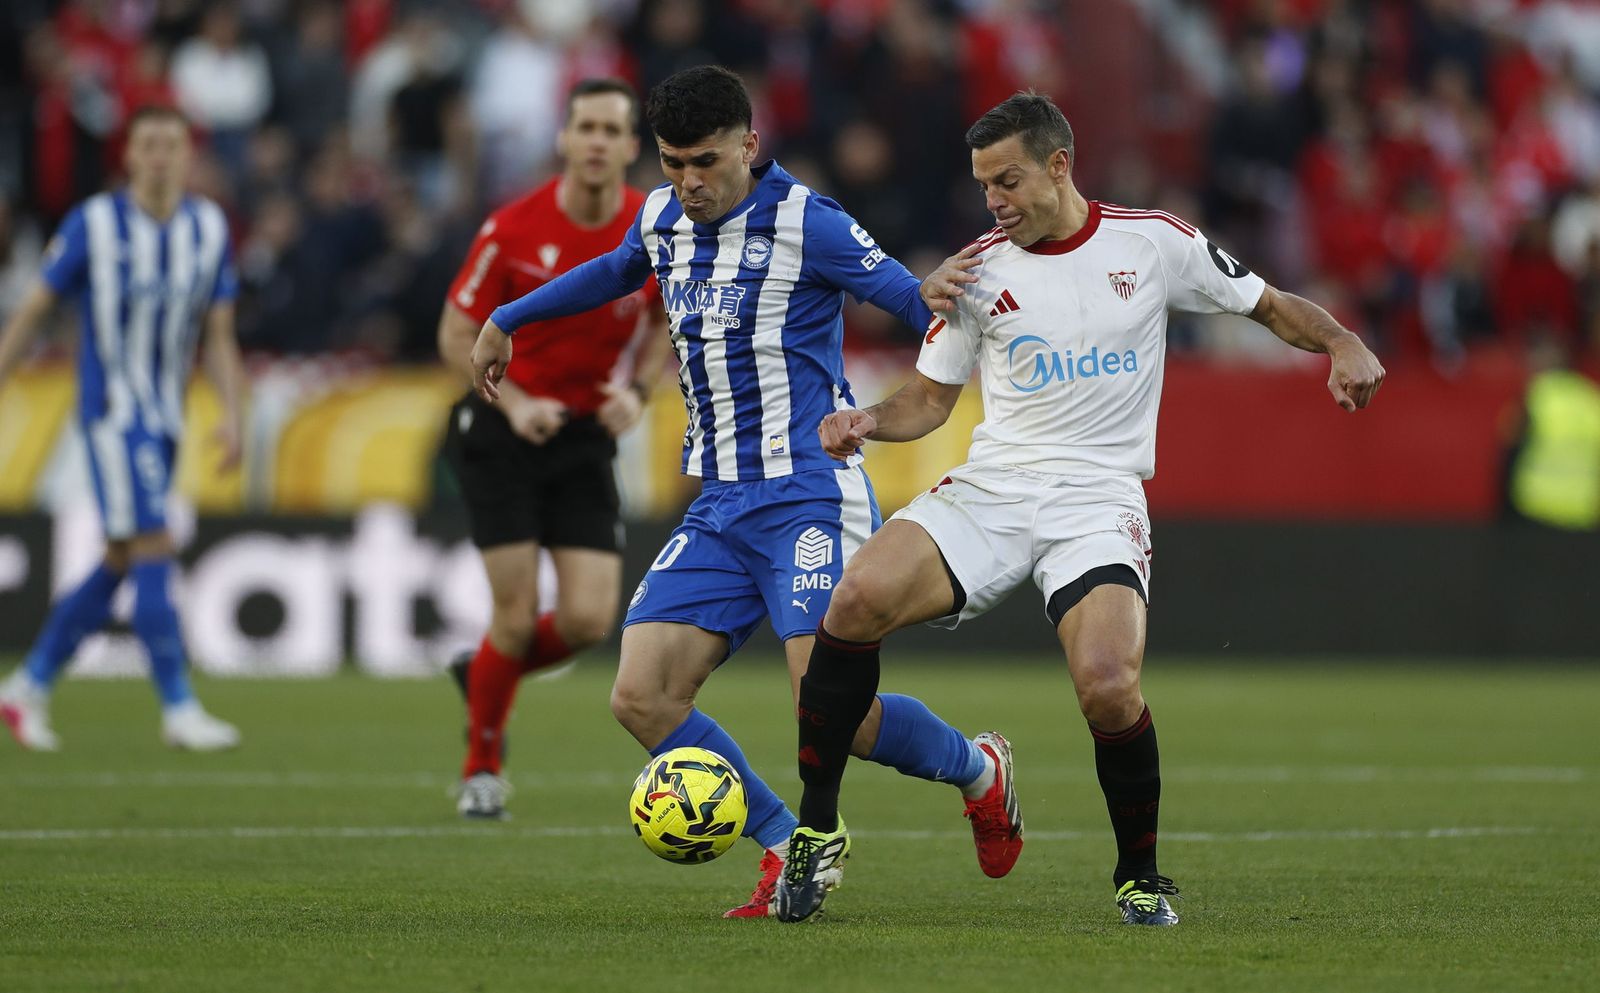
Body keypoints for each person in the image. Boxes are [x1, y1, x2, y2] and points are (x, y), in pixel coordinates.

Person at [776, 92, 1386, 926]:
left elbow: (1271, 305)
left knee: (1107, 684)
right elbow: (928, 398)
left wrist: (1343, 340)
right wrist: (869, 420)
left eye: (1009, 180)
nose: (994, 199)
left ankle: (1138, 876)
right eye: (985, 183)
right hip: (995, 486)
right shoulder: (977, 270)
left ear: (1059, 165)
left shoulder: (1155, 241)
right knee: (853, 601)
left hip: (1098, 495)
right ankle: (816, 829)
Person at [468, 65, 1022, 918]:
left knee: (832, 709)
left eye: (705, 162)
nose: (688, 181)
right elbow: (616, 272)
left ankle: (979, 768)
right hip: (721, 504)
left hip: (808, 492)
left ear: (749, 146)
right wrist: (509, 318)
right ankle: (785, 846)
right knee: (641, 695)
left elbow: (917, 309)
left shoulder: (810, 222)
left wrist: (937, 306)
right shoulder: (660, 216)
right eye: (672, 162)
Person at [437, 78, 670, 818]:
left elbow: (668, 325)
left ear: (634, 147)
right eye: (586, 127)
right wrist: (519, 399)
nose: (598, 141)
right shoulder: (511, 226)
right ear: (565, 140)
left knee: (588, 621)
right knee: (514, 611)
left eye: (613, 129)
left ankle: (483, 676)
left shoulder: (655, 225)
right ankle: (481, 769)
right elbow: (454, 330)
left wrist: (639, 390)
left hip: (584, 438)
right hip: (503, 431)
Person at [0, 106, 248, 752]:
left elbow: (219, 335)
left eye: (172, 143)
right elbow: (34, 309)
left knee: (120, 556)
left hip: (169, 412)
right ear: (129, 156)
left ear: (189, 155)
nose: (161, 155)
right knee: (155, 540)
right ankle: (178, 705)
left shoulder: (209, 225)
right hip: (112, 411)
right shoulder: (95, 223)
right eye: (149, 144)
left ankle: (27, 684)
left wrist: (233, 415)